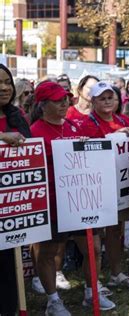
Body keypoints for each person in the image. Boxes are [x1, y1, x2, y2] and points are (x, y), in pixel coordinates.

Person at [28, 81, 116, 314]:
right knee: (49, 252)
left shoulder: (73, 126)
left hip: (80, 201)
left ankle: (91, 292)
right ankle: (53, 300)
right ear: (43, 104)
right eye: (57, 101)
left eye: (65, 98)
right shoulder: (34, 132)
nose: (64, 103)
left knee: (93, 248)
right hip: (54, 204)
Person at [80, 82, 129, 289]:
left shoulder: (123, 119)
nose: (107, 102)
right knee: (96, 235)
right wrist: (113, 136)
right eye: (102, 98)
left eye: (110, 98)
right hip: (97, 185)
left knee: (116, 230)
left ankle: (116, 272)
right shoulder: (88, 123)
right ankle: (94, 281)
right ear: (93, 101)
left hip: (119, 183)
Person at [0, 63, 30, 316]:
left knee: (9, 264)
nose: (4, 88)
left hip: (10, 205)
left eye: (7, 82)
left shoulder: (16, 116)